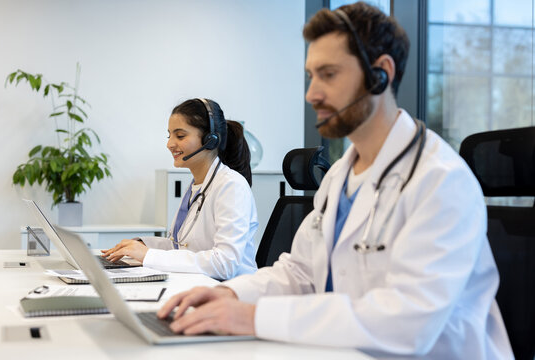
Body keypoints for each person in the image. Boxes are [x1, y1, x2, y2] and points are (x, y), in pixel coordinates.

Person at [156, 3, 513, 359]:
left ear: (380, 74)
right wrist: (232, 294)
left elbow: (407, 323)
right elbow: (300, 272)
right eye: (311, 76)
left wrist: (253, 316)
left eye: (328, 74)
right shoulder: (341, 175)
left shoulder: (440, 180)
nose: (312, 93)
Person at [101, 98, 258, 280]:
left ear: (210, 140)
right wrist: (142, 245)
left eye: (180, 136)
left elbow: (225, 263)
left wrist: (148, 255)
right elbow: (182, 248)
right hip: (199, 285)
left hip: (229, 291)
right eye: (169, 136)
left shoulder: (231, 186)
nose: (170, 144)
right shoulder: (197, 185)